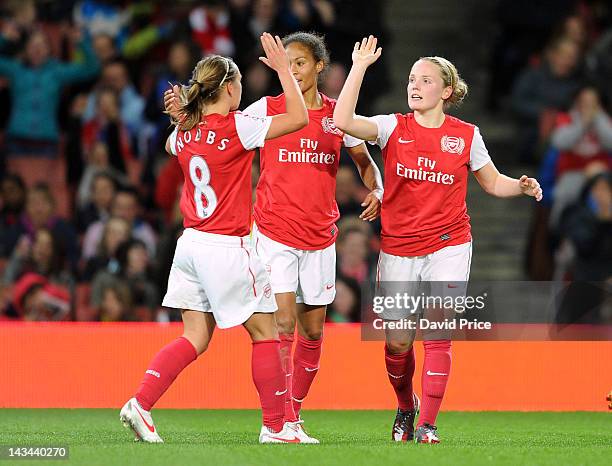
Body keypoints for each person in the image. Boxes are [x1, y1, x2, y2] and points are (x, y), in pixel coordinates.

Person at [333, 36, 543, 444]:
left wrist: (518, 186)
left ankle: (428, 423)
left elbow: (492, 182)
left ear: (445, 91)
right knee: (397, 343)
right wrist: (358, 66)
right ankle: (405, 407)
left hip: (449, 243)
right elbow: (343, 121)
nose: (414, 85)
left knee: (438, 329)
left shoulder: (466, 135)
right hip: (398, 247)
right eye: (412, 78)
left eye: (425, 80)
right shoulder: (393, 126)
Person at [119, 33, 312, 444]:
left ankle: (140, 403)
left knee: (194, 336)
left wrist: (183, 116)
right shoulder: (238, 126)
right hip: (227, 245)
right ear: (228, 87)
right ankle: (276, 427)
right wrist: (282, 71)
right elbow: (298, 118)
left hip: (189, 245)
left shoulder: (184, 134)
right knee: (265, 333)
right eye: (239, 84)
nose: (242, 91)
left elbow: (177, 142)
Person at [241, 32, 383, 438]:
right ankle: (279, 421)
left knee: (314, 332)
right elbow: (224, 131)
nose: (293, 69)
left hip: (321, 237)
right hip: (273, 233)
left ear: (319, 67)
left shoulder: (338, 118)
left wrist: (377, 189)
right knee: (283, 325)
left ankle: (293, 413)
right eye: (286, 62)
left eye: (300, 62)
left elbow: (365, 161)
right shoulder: (266, 110)